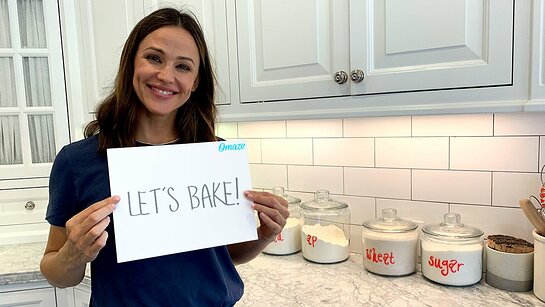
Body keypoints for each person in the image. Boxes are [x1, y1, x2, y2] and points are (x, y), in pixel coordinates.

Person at [40, 7, 289, 306]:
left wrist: (263, 235)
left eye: (183, 66)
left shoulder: (216, 157)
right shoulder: (77, 162)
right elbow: (56, 272)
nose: (166, 76)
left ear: (196, 81)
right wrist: (74, 253)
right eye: (154, 58)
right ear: (131, 62)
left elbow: (228, 256)